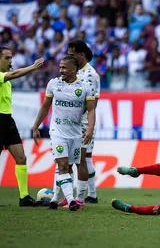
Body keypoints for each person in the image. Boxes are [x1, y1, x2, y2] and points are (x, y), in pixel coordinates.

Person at [31, 56, 96, 211]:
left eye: (64, 68)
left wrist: (90, 128)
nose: (61, 70)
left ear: (74, 70)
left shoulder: (85, 86)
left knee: (72, 165)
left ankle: (54, 199)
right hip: (57, 131)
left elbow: (92, 109)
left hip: (75, 133)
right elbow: (45, 107)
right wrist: (35, 126)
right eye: (60, 67)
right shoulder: (53, 83)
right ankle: (71, 200)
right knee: (62, 165)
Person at [0, 48, 44, 206]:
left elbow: (12, 75)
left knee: (21, 158)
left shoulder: (5, 80)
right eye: (7, 58)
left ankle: (24, 197)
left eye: (11, 57)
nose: (11, 60)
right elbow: (14, 74)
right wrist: (32, 67)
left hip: (8, 121)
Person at [66, 40, 100, 204]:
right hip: (72, 121)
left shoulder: (90, 74)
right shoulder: (74, 71)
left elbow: (92, 103)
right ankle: (91, 195)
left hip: (84, 122)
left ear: (81, 55)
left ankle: (83, 196)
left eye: (71, 55)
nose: (68, 57)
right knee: (84, 158)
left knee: (83, 158)